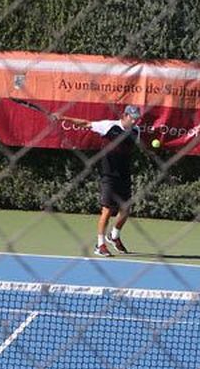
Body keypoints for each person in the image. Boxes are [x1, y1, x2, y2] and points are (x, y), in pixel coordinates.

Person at [55, 103, 150, 257]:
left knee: (125, 210)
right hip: (108, 175)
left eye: (136, 119)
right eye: (132, 118)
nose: (135, 121)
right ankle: (100, 245)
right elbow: (86, 123)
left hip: (124, 175)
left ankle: (114, 236)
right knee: (107, 210)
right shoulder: (108, 126)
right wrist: (62, 117)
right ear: (125, 116)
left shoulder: (135, 131)